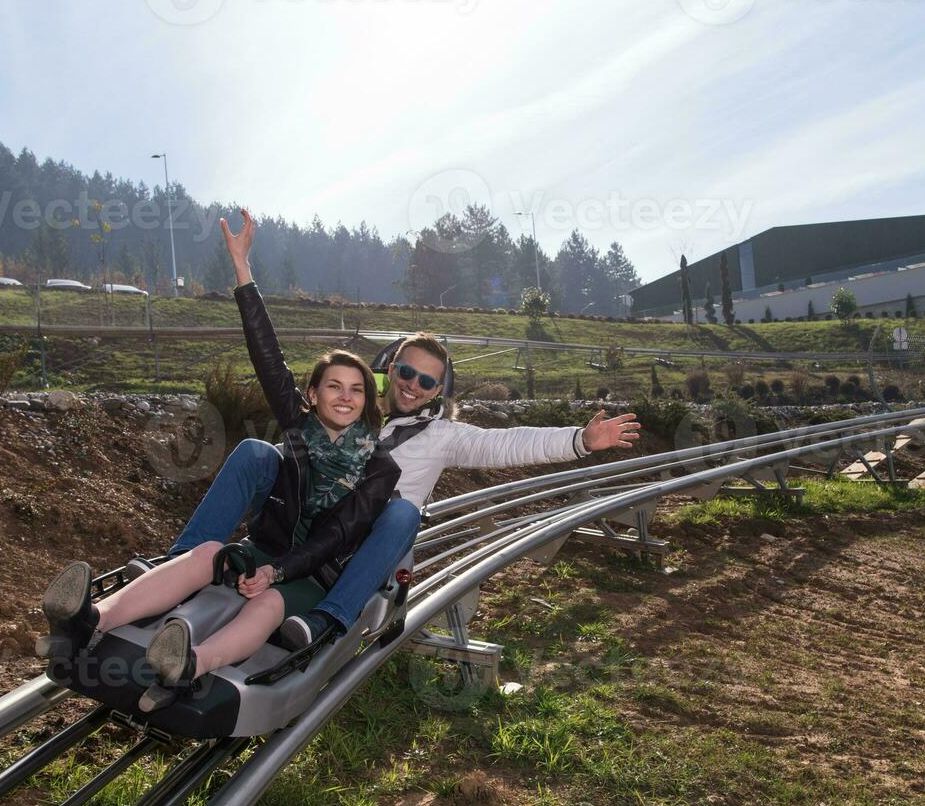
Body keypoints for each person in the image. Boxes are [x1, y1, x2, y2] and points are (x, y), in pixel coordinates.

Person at [170, 209, 643, 650]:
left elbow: (508, 443)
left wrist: (581, 441)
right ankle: (180, 563)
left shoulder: (442, 435)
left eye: (427, 381)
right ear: (390, 368)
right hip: (302, 525)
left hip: (353, 548)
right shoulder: (348, 403)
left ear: (437, 390)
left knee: (401, 514)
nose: (414, 386)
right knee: (259, 452)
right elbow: (271, 364)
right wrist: (243, 272)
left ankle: (329, 618)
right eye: (407, 373)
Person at [40, 340, 399, 713]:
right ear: (313, 393)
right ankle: (91, 618)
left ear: (366, 400)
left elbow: (334, 536)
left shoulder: (379, 468)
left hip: (312, 572)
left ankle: (192, 663)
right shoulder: (300, 430)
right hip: (267, 549)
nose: (345, 397)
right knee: (208, 554)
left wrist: (275, 573)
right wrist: (244, 282)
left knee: (269, 603)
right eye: (334, 386)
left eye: (356, 389)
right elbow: (269, 362)